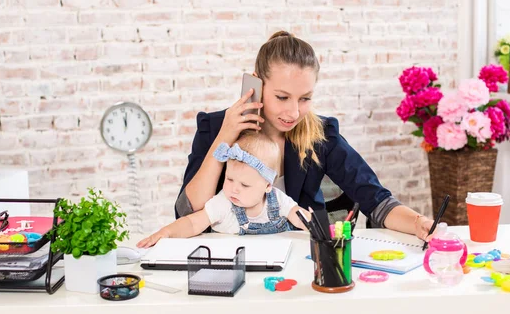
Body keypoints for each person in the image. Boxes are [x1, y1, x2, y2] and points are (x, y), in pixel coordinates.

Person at [174, 30, 435, 241]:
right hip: (229, 256)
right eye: (282, 97)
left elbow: (376, 200)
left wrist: (418, 223)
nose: (294, 112)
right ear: (257, 85)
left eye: (305, 98)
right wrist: (226, 136)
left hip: (300, 259)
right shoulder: (215, 127)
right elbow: (189, 210)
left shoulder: (321, 135)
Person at [138, 131, 310, 248]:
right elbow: (192, 223)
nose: (234, 189)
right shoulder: (224, 203)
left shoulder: (277, 200)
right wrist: (166, 232)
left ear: (267, 186)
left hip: (272, 260)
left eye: (245, 185)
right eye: (229, 179)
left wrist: (316, 227)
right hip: (233, 263)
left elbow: (297, 215)